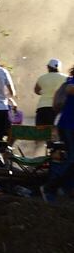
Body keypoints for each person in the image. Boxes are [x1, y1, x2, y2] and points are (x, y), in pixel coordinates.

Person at [41, 67, 74, 202]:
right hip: (68, 125)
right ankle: (50, 187)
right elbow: (69, 89)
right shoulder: (70, 82)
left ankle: (65, 188)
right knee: (72, 159)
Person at [34, 59, 67, 126]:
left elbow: (36, 90)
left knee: (41, 132)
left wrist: (45, 92)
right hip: (58, 107)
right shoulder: (66, 78)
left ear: (48, 67)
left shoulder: (42, 77)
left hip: (42, 107)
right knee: (55, 132)